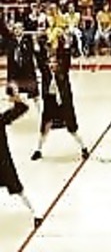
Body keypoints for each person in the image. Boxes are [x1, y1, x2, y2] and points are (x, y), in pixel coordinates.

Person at [31, 37, 89, 161]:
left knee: (72, 129)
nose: (52, 65)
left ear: (58, 64)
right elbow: (39, 59)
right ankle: (38, 150)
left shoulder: (63, 72)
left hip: (64, 103)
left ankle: (83, 148)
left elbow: (67, 58)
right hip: (50, 102)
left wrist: (66, 44)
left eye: (54, 63)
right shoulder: (45, 72)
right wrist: (36, 45)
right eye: (50, 63)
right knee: (44, 128)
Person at [0, 83, 42, 227]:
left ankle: (36, 213)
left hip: (3, 163)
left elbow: (22, 108)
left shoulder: (1, 120)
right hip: (3, 163)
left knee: (19, 190)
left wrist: (15, 96)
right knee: (19, 190)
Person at [1, 21, 39, 106]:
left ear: (23, 29)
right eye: (15, 28)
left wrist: (35, 42)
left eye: (19, 28)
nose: (17, 30)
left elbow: (36, 51)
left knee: (33, 95)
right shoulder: (9, 41)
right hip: (14, 71)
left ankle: (37, 110)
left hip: (27, 70)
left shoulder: (28, 41)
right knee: (13, 94)